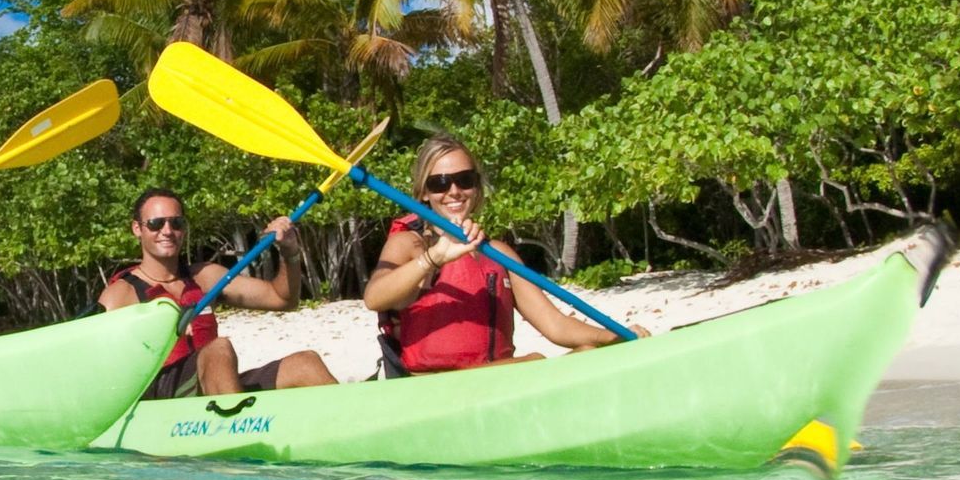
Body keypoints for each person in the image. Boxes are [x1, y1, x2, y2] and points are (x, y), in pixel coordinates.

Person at [364, 134, 645, 374]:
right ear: (424, 192)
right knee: (535, 361)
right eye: (440, 183)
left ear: (476, 186)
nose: (454, 191)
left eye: (465, 180)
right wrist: (435, 257)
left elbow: (555, 325)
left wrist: (612, 336)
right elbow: (374, 298)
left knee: (588, 351)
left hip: (496, 380)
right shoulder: (409, 245)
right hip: (434, 385)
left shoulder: (498, 252)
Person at [97, 187, 336, 399]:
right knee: (218, 350)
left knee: (306, 364)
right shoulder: (121, 294)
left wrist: (290, 252)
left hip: (215, 379)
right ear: (137, 229)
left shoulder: (205, 277)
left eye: (176, 223)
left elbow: (282, 298)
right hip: (162, 395)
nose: (167, 231)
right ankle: (236, 436)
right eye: (156, 224)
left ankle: (356, 432)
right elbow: (98, 363)